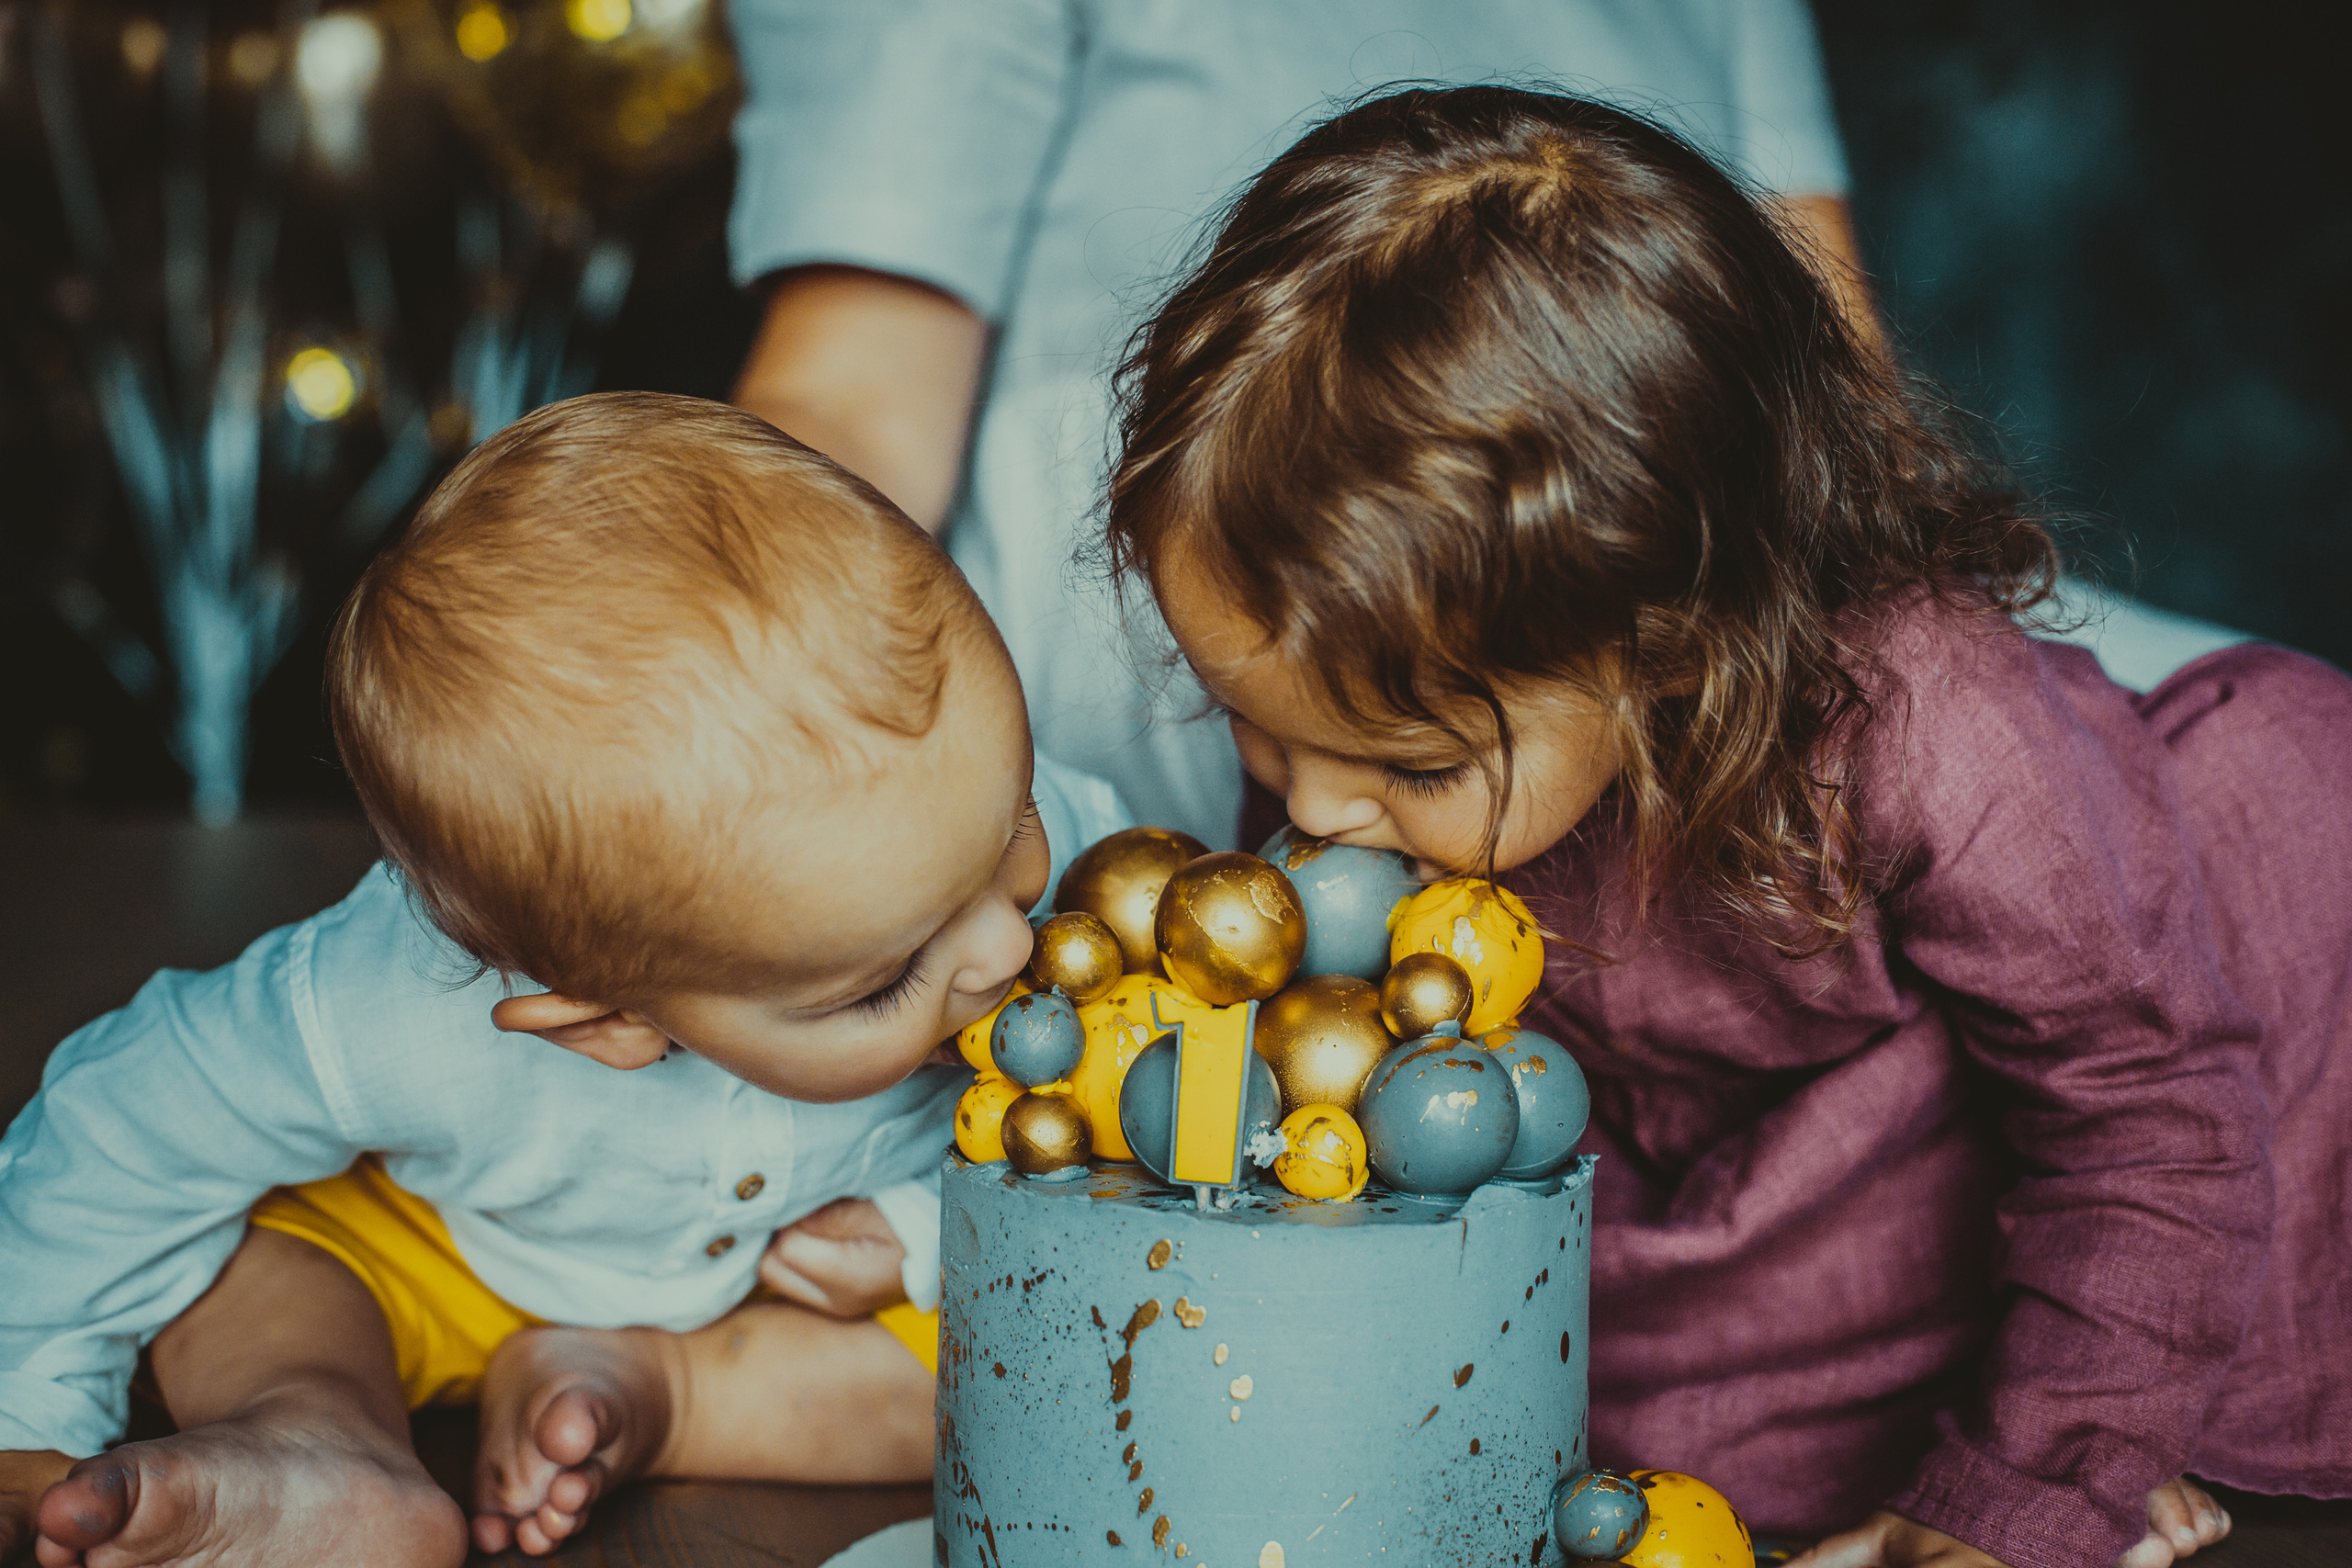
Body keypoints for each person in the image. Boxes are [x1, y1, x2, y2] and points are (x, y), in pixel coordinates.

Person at [1102, 88, 2350, 1568]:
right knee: (1624, 1443)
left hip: (2038, 1112)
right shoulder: (1377, 727)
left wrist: (2032, 1489)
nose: (1306, 808)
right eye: (1255, 723)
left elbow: (2144, 1116)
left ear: (1673, 641)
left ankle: (2128, 1414)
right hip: (1751, 1171)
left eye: (1408, 762)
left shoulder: (1929, 718)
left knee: (2278, 793)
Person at [0, 393, 1130, 1567]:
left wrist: (926, 1229)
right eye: (888, 979)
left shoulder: (1035, 842)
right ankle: (320, 1433)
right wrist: (26, 1424)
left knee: (1036, 1365)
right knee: (230, 1251)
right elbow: (122, 1126)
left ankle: (675, 1395)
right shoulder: (387, 1012)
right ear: (604, 1020)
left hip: (811, 1323)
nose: (1007, 949)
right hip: (464, 1260)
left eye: (1013, 829)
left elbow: (1152, 1060)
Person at [725, 0, 1871, 852]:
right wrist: (694, 703)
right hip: (1204, 594)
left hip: (1629, 577)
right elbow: (854, 391)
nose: (1309, 804)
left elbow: (1817, 322)